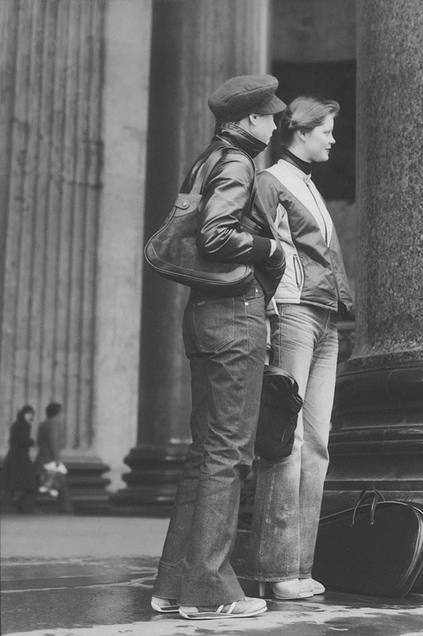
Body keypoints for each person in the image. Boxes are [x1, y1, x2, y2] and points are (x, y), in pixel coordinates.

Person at [150, 74, 287, 621]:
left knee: (205, 453)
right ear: (248, 121)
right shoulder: (236, 164)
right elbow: (215, 235)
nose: (276, 124)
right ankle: (209, 590)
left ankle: (174, 584)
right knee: (230, 454)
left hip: (205, 317)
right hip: (234, 316)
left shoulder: (207, 159)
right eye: (270, 116)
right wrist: (271, 247)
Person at [247, 95, 353, 600]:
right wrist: (267, 316)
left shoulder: (305, 182)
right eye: (327, 130)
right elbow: (255, 251)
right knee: (285, 443)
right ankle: (274, 568)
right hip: (291, 312)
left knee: (316, 445)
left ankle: (297, 566)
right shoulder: (270, 181)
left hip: (324, 316)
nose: (333, 139)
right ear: (303, 130)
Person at [34, 402, 73, 514]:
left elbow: (40, 441)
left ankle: (65, 507)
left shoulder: (43, 424)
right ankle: (66, 507)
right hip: (50, 458)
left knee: (40, 481)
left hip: (42, 457)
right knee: (61, 483)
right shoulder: (55, 424)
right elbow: (54, 441)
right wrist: (57, 459)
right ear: (57, 413)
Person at [1, 406, 39, 513]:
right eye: (30, 414)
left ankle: (7, 506)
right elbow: (22, 440)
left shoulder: (17, 424)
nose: (31, 416)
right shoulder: (25, 425)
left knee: (11, 483)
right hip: (21, 457)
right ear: (25, 414)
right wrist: (31, 442)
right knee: (29, 481)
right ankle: (25, 506)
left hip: (14, 456)